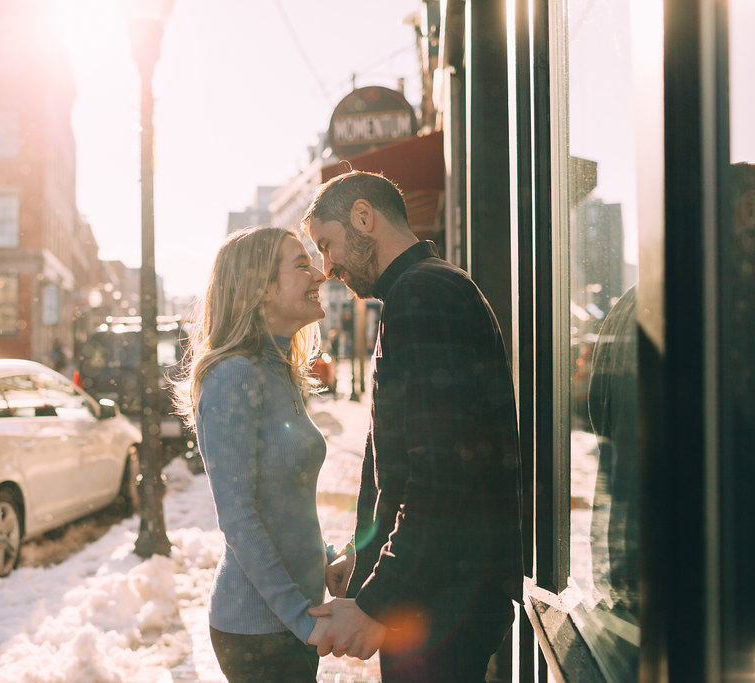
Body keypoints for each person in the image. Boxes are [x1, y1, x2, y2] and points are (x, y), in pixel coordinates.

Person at [301, 171, 524, 681]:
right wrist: (364, 556)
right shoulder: (422, 290)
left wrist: (377, 602)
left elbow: (439, 478)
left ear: (364, 216)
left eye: (327, 244)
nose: (328, 266)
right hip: (439, 597)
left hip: (443, 606)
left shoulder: (424, 296)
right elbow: (401, 465)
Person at [174, 226, 330, 682]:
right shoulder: (233, 375)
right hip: (258, 631)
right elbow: (239, 516)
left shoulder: (279, 368)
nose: (319, 273)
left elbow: (283, 504)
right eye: (301, 264)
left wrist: (327, 557)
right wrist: (300, 620)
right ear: (260, 288)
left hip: (293, 619)